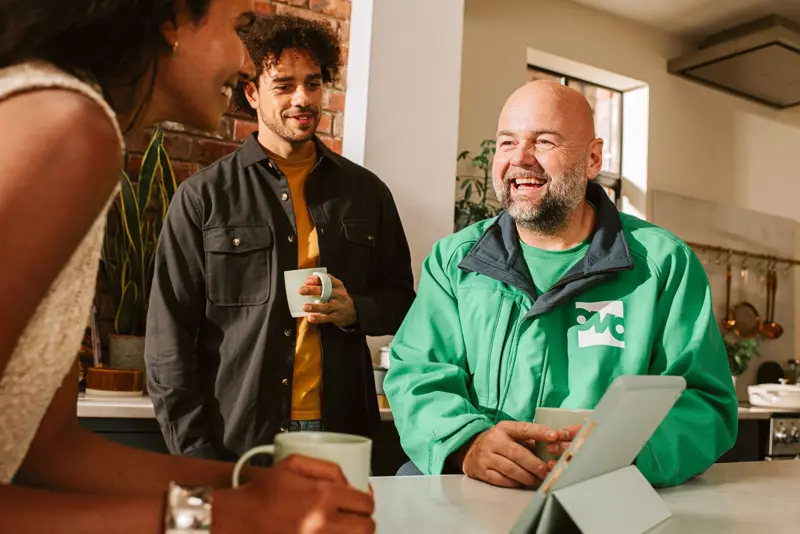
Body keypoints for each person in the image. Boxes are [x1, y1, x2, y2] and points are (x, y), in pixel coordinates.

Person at [0, 1, 375, 533]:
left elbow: (49, 450)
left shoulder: (60, 113)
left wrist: (246, 486)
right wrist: (224, 516)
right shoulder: (70, 127)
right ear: (172, 20)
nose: (247, 63)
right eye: (240, 28)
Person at [384, 80, 738, 489]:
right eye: (506, 142)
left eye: (544, 142)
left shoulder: (664, 265)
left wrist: (622, 452)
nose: (520, 159)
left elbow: (704, 403)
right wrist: (468, 443)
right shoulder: (454, 261)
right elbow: (417, 374)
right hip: (477, 495)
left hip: (604, 499)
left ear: (591, 158)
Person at [145, 14, 414, 462]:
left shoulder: (368, 194)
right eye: (284, 85)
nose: (302, 98)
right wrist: (195, 454)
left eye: (313, 83)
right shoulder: (202, 199)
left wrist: (355, 311)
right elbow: (167, 341)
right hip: (239, 437)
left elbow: (404, 303)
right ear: (252, 93)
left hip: (341, 436)